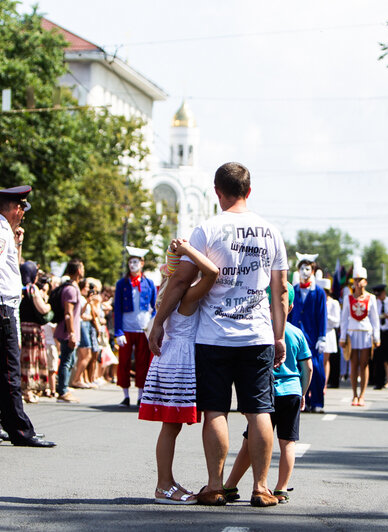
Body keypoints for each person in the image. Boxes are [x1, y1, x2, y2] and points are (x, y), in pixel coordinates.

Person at [148, 162, 289, 508]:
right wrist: (279, 335)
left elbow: (180, 280)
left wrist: (158, 322)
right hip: (256, 336)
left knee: (215, 412)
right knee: (259, 412)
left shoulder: (206, 229)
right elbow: (281, 290)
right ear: (249, 191)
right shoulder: (271, 231)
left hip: (214, 336)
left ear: (217, 192)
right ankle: (261, 486)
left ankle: (214, 486)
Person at [139, 243, 219, 504]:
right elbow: (212, 273)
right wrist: (192, 250)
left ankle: (168, 482)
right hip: (179, 359)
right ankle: (163, 485)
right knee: (170, 426)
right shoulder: (185, 293)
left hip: (172, 355)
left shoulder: (167, 291)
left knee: (170, 426)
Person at [225, 282, 312, 504]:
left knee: (250, 440)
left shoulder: (261, 330)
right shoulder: (296, 333)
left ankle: (230, 485)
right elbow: (308, 367)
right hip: (292, 392)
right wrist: (302, 392)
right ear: (290, 307)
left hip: (267, 393)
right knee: (288, 443)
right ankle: (281, 488)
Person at [0, 186, 54, 447]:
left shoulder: (3, 231)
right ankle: (20, 430)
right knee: (10, 371)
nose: (23, 215)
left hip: (0, 306)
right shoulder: (0, 231)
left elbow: (10, 267)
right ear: (16, 208)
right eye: (22, 209)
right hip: (0, 307)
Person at [114, 246, 157, 408]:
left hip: (143, 329)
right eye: (130, 262)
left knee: (142, 363)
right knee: (124, 362)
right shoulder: (121, 284)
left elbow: (154, 308)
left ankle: (140, 395)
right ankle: (125, 396)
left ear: (142, 263)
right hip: (126, 329)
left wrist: (151, 327)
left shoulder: (149, 283)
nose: (133, 265)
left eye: (136, 262)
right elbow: (116, 308)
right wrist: (118, 331)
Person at [288, 253, 326, 413]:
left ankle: (317, 402)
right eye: (302, 269)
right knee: (297, 369)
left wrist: (322, 337)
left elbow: (322, 315)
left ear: (313, 271)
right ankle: (303, 400)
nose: (305, 272)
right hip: (296, 335)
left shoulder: (318, 292)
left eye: (308, 269)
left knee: (316, 370)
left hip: (312, 336)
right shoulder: (293, 290)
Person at [339, 266, 380, 406]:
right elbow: (344, 319)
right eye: (355, 280)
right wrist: (342, 337)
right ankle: (354, 395)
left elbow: (375, 319)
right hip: (352, 334)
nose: (358, 283)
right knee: (353, 364)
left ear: (365, 282)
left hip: (366, 334)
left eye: (360, 280)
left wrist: (377, 337)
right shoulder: (348, 298)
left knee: (364, 364)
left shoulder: (371, 298)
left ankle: (362, 395)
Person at [18, 261, 50, 403]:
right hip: (32, 330)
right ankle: (28, 391)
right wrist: (49, 305)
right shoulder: (32, 289)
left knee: (21, 359)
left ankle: (21, 389)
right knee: (30, 360)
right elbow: (42, 309)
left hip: (20, 328)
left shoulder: (18, 287)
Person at [54, 259, 84, 404]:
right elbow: (68, 313)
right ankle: (63, 390)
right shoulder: (70, 289)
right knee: (66, 361)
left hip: (70, 331)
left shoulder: (73, 287)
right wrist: (72, 333)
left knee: (69, 360)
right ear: (78, 270)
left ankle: (64, 388)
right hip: (67, 332)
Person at [319, 278, 340, 392]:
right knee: (317, 359)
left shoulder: (334, 303)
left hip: (329, 331)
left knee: (325, 360)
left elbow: (337, 322)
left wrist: (326, 315)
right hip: (318, 332)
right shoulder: (317, 301)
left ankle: (324, 383)